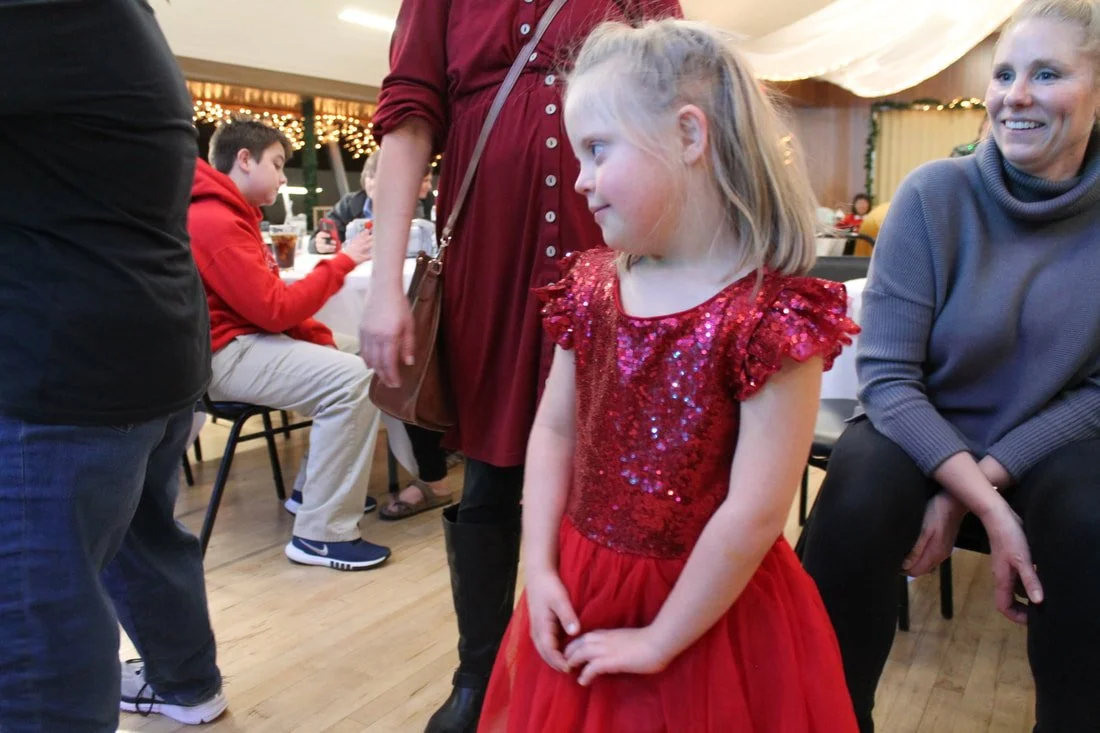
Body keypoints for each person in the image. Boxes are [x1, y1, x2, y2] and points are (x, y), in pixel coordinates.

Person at [476, 19, 861, 733]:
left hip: (708, 611)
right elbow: (555, 428)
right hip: (582, 580)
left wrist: (659, 639)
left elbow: (753, 511)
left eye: (596, 150)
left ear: (689, 136)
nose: (582, 179)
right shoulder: (589, 285)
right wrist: (541, 566)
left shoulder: (769, 317)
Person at [361, 1, 683, 729]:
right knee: (490, 477)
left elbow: (674, 93)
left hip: (608, 251)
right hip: (488, 258)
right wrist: (385, 284)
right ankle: (477, 675)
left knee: (606, 482)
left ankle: (580, 676)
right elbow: (409, 120)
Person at [799, 1, 1100, 730]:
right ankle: (828, 717)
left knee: (1093, 518)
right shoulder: (934, 196)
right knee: (857, 491)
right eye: (1004, 73)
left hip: (1055, 439)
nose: (1014, 94)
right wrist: (989, 503)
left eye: (1047, 73)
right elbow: (890, 380)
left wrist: (974, 487)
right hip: (919, 422)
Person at [0, 1, 227, 729]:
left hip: (64, 365)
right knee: (140, 538)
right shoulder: (117, 17)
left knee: (36, 647)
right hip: (151, 349)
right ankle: (188, 681)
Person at [189, 119, 391, 571]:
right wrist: (341, 262)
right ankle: (321, 535)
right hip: (224, 355)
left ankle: (310, 493)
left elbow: (269, 309)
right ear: (244, 160)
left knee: (360, 353)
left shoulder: (224, 213)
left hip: (239, 341)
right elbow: (275, 311)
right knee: (355, 379)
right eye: (278, 164)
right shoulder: (214, 220)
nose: (283, 178)